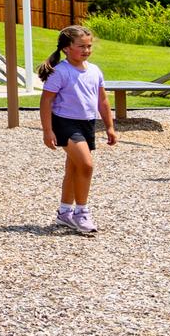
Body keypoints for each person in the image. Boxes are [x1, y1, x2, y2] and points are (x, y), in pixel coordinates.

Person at [37, 25, 114, 235]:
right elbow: (46, 102)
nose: (86, 50)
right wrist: (47, 131)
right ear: (66, 48)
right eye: (81, 46)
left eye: (89, 46)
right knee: (87, 165)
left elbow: (103, 100)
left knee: (74, 168)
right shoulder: (60, 72)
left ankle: (64, 213)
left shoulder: (95, 71)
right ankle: (81, 212)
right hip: (64, 123)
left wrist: (109, 126)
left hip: (87, 123)